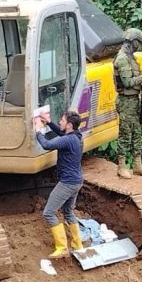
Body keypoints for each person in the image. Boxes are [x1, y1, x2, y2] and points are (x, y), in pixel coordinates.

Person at [33, 109, 85, 257]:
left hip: (67, 183)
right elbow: (62, 134)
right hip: (76, 181)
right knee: (68, 212)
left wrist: (38, 130)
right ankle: (77, 245)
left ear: (69, 125)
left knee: (48, 213)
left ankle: (62, 248)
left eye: (62, 121)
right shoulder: (76, 137)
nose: (60, 122)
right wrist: (49, 122)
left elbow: (47, 145)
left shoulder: (68, 140)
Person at [113, 27, 142, 179]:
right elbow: (127, 81)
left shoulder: (131, 58)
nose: (139, 47)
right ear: (134, 42)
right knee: (125, 134)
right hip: (125, 102)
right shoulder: (122, 58)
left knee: (137, 133)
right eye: (138, 43)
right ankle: (122, 166)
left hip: (134, 100)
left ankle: (137, 165)